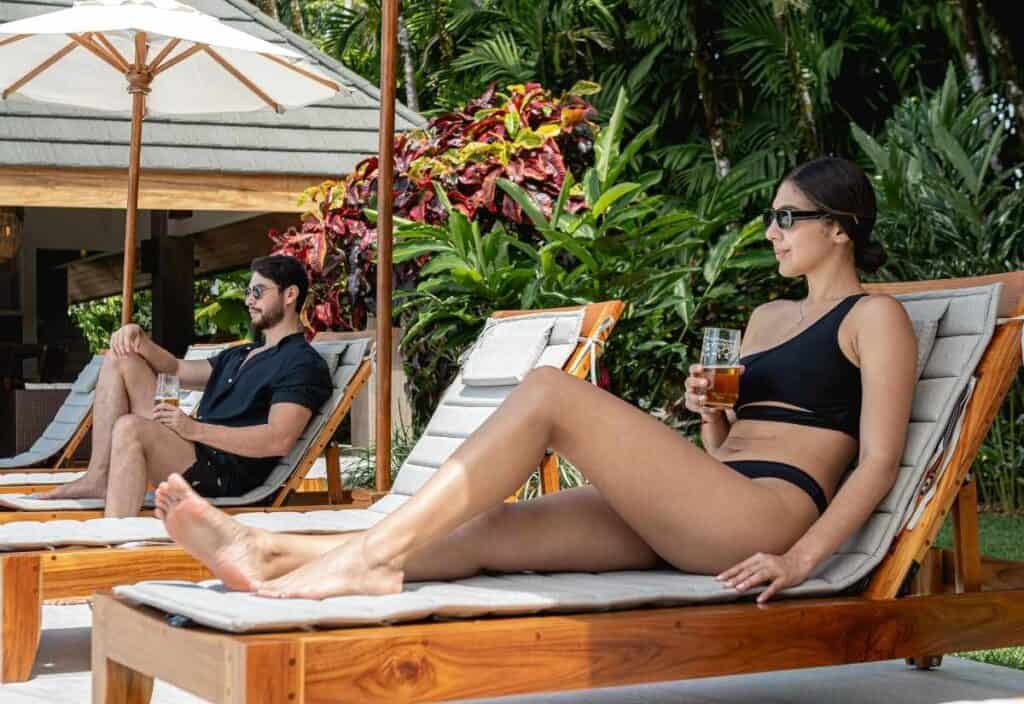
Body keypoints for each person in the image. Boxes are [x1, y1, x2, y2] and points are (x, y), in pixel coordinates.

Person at [154, 157, 918, 602]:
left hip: (764, 517)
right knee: (487, 529)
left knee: (551, 392)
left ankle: (370, 562)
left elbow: (878, 460)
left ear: (840, 226)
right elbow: (728, 437)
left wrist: (799, 560)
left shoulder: (873, 318)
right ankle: (267, 553)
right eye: (773, 217)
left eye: (787, 217)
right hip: (710, 492)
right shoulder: (760, 319)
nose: (771, 230)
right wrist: (707, 414)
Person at [37, 255, 332, 518]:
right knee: (121, 358)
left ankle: (112, 542)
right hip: (195, 450)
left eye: (258, 291)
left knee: (130, 428)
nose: (248, 300)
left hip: (224, 474)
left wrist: (193, 429)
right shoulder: (240, 353)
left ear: (290, 294)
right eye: (247, 292)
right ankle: (98, 477)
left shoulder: (300, 363)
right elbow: (176, 369)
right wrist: (139, 337)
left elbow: (277, 439)